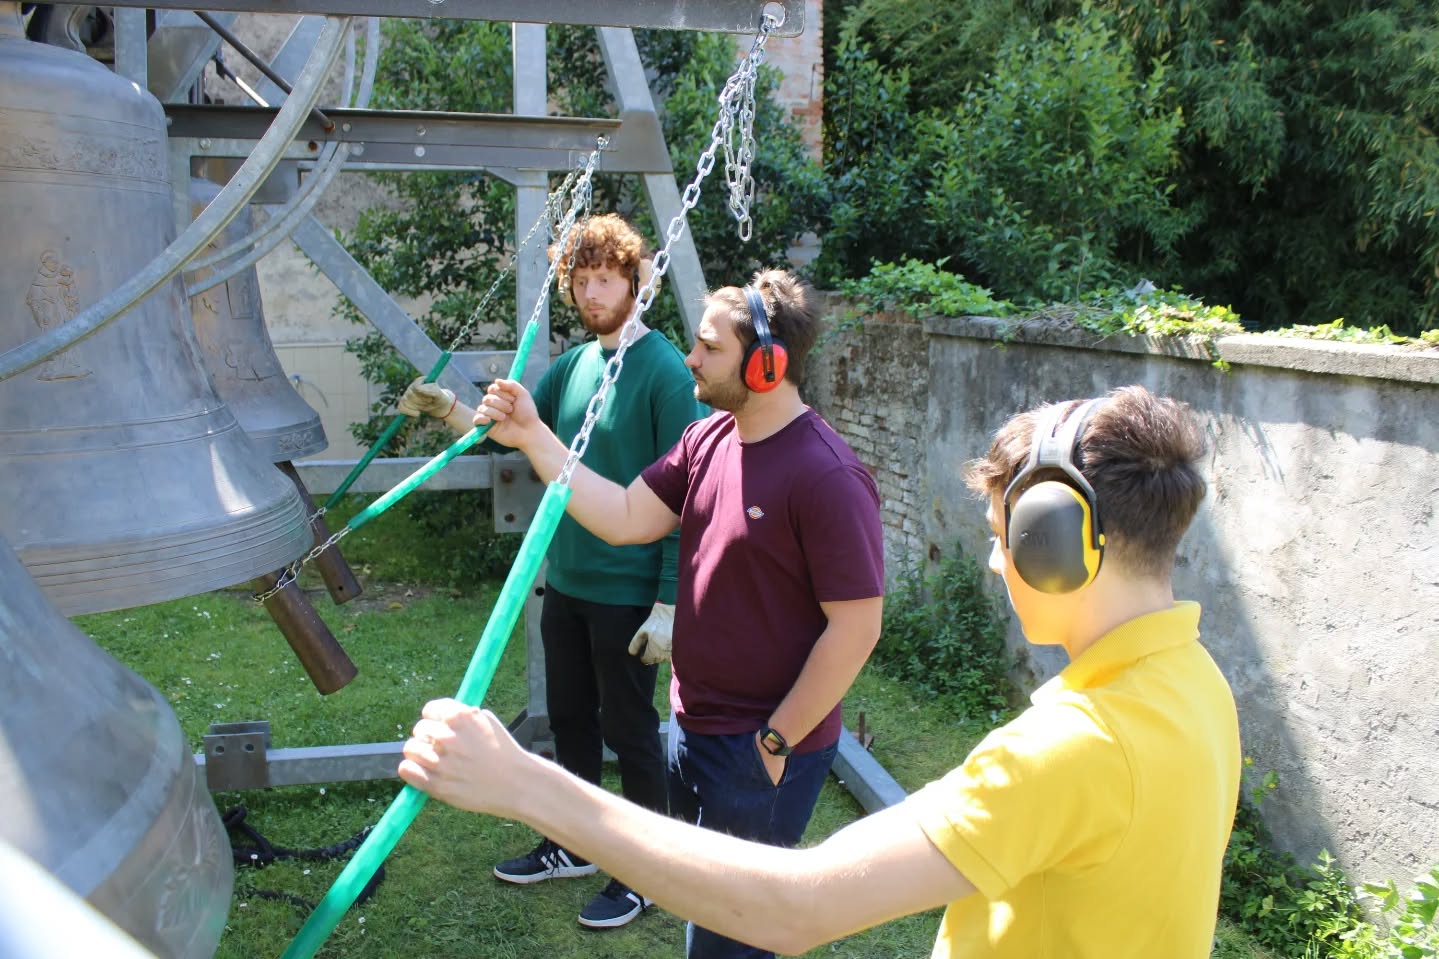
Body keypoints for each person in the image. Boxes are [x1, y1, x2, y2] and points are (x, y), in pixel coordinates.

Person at [397, 384, 1242, 958]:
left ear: (1053, 541)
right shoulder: (1195, 686)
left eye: (1002, 535)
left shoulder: (1068, 750)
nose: (994, 563)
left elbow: (795, 906)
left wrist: (524, 784)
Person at [453, 268, 887, 959]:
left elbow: (857, 625)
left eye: (709, 348)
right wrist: (535, 437)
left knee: (734, 939)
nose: (690, 357)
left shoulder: (825, 476)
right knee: (701, 913)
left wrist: (772, 744)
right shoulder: (709, 439)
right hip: (691, 727)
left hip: (761, 749)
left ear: (767, 363)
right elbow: (625, 516)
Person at [396, 213, 707, 929]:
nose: (595, 292)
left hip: (629, 590)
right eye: (583, 279)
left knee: (629, 728)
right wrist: (450, 410)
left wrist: (668, 603)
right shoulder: (573, 368)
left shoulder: (662, 371)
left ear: (636, 281)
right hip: (566, 582)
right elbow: (524, 440)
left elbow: (687, 497)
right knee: (568, 718)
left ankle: (647, 870)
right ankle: (574, 843)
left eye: (608, 278)